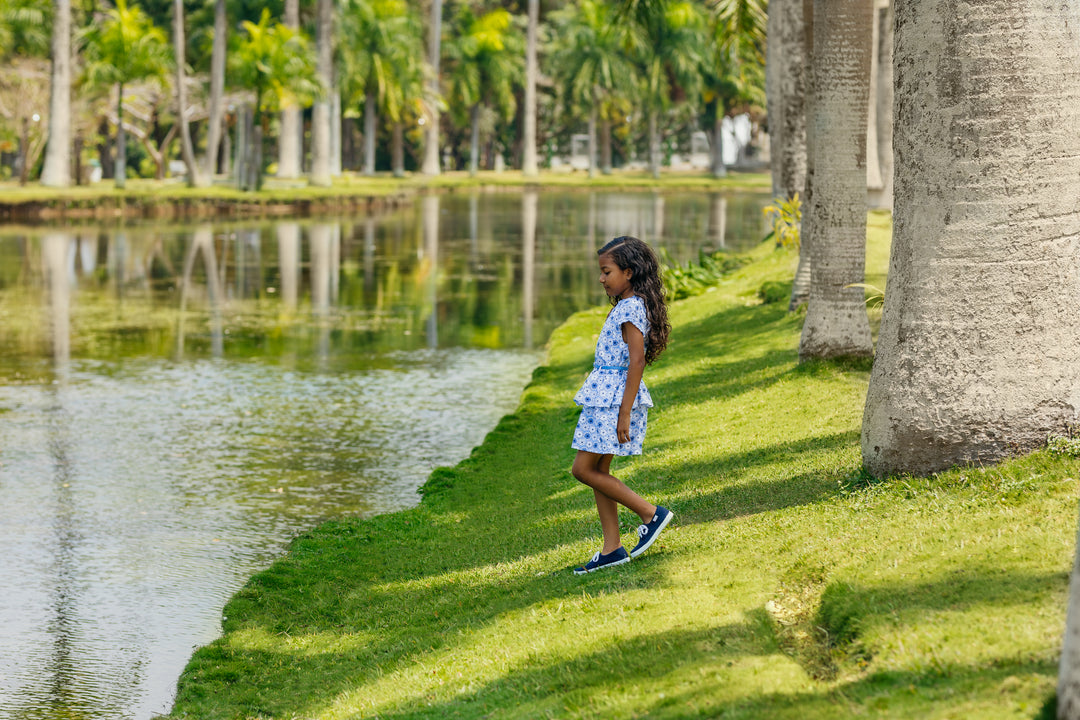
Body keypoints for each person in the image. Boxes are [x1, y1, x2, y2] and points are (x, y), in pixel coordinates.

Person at [571, 236, 673, 574]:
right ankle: (612, 548)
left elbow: (637, 360)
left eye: (606, 271)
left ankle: (650, 513)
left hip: (612, 399)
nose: (601, 278)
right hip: (607, 394)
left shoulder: (629, 307)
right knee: (598, 472)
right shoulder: (628, 303)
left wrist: (624, 412)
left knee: (582, 470)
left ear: (628, 272)